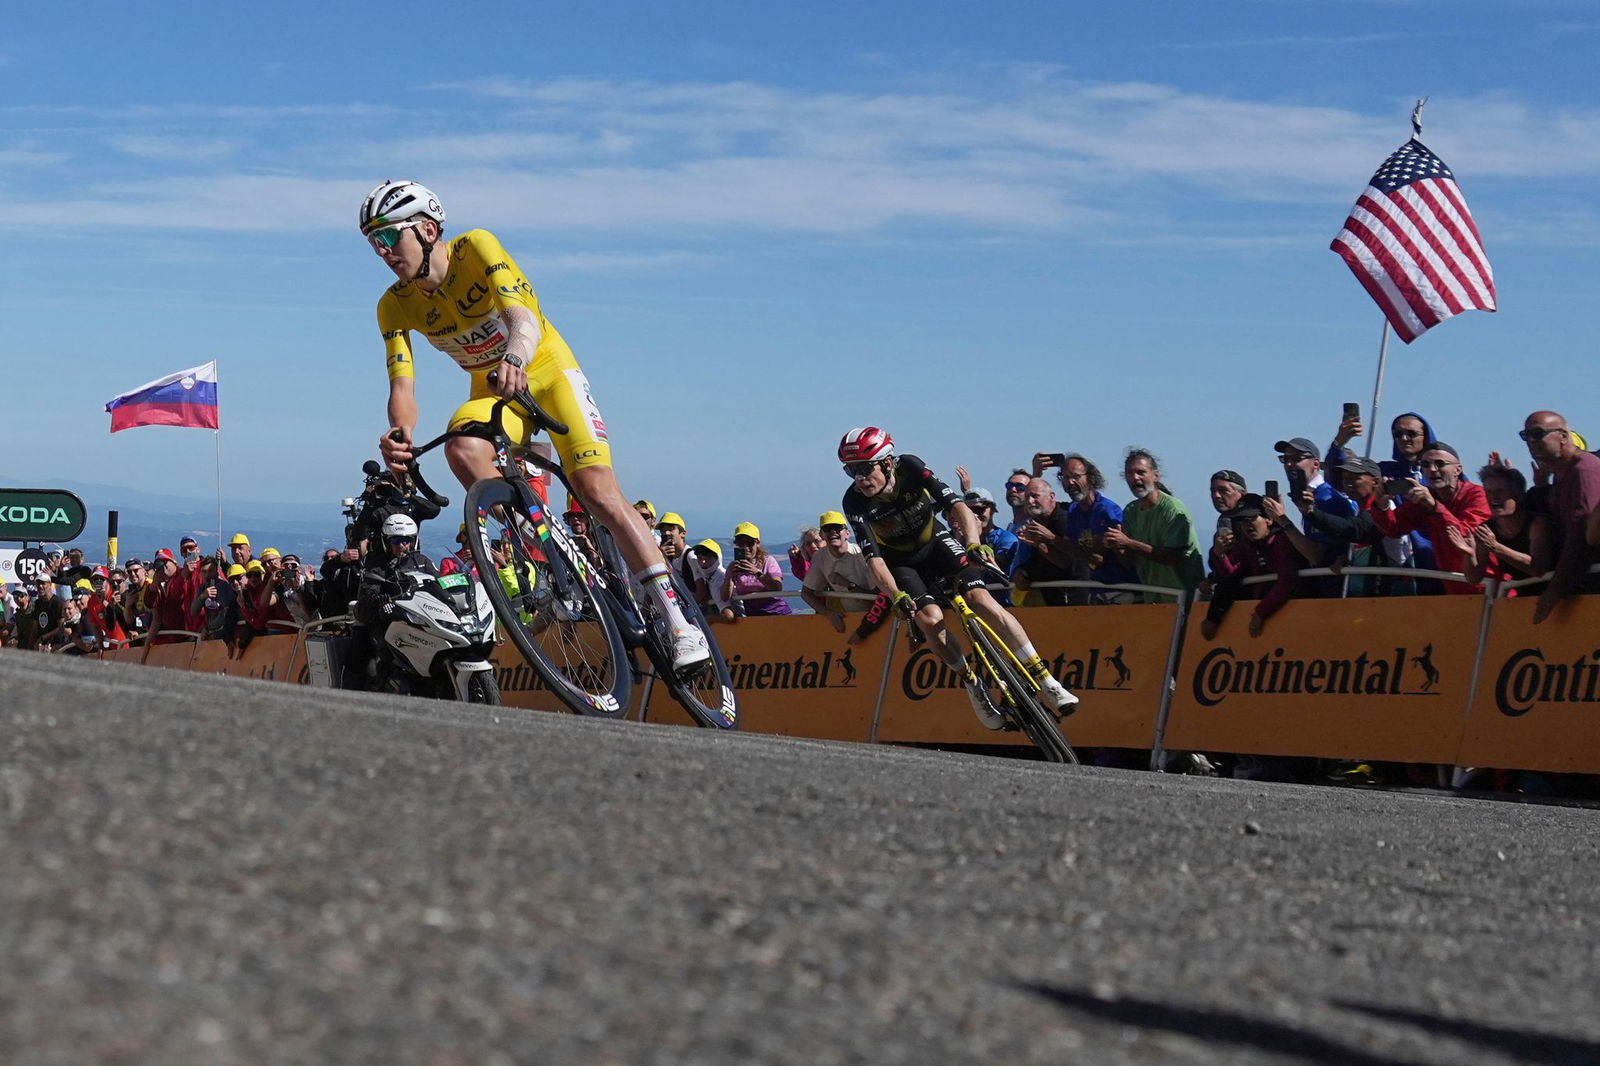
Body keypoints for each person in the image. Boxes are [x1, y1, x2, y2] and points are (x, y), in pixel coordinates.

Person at [361, 180, 709, 673]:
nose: (382, 251)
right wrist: (399, 436)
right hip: (494, 391)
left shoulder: (476, 247)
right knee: (461, 448)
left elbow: (523, 319)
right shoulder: (393, 304)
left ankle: (677, 622)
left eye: (390, 237)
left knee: (597, 490)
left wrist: (515, 356)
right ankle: (543, 539)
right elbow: (402, 384)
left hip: (544, 372)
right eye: (373, 242)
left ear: (428, 228)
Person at [837, 426, 1078, 727]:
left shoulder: (911, 467)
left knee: (981, 599)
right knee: (929, 619)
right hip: (901, 563)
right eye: (851, 471)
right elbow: (874, 559)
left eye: (864, 468)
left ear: (887, 462)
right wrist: (894, 594)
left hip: (936, 543)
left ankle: (1046, 680)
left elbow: (957, 506)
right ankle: (972, 685)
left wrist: (974, 543)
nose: (859, 478)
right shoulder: (855, 502)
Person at [1367, 442, 1489, 595]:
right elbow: (1393, 528)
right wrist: (1382, 505)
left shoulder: (1477, 495)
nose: (1432, 469)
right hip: (1451, 585)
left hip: (1484, 584)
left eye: (1439, 463)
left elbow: (1466, 536)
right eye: (1425, 464)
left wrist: (1433, 507)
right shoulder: (1426, 497)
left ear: (1458, 469)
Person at [1523, 411, 1600, 623]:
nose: (1531, 441)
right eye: (1525, 435)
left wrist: (1554, 590)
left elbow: (1581, 535)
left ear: (1564, 436)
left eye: (1538, 434)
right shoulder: (1561, 474)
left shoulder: (1585, 470)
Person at [1102, 448, 1204, 601]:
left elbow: (1171, 557)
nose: (1135, 478)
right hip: (1152, 597)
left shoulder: (1173, 509)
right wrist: (1117, 547)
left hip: (1183, 597)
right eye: (1130, 473)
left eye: (1141, 472)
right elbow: (1129, 561)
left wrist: (1128, 542)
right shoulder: (1130, 511)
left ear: (1155, 476)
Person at [1200, 495, 1302, 640]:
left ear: (1269, 519)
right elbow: (1231, 573)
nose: (1246, 526)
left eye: (1251, 519)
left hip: (1294, 614)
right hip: (1268, 612)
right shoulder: (1248, 543)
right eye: (1242, 521)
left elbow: (1287, 583)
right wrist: (1220, 554)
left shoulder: (1283, 542)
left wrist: (1260, 613)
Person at [1058, 453, 1141, 603]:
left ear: (1090, 479)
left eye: (1076, 477)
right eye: (1065, 477)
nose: (1070, 482)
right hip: (1097, 589)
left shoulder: (1107, 510)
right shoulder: (1073, 511)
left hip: (1122, 590)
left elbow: (1108, 556)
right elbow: (1074, 552)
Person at [1010, 477, 1089, 606]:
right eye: (1027, 497)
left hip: (1074, 598)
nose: (1030, 501)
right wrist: (1022, 572)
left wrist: (1042, 541)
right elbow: (1038, 563)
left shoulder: (1066, 519)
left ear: (1051, 497)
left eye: (1035, 496)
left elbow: (1066, 564)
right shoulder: (1036, 523)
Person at [800, 511, 876, 633]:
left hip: (875, 618)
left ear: (847, 533)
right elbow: (806, 593)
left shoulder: (863, 555)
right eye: (827, 529)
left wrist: (847, 584)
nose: (832, 532)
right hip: (848, 620)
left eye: (837, 528)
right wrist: (829, 614)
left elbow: (878, 598)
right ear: (822, 535)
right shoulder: (820, 557)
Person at [721, 523, 792, 616]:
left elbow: (777, 587)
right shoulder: (735, 567)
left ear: (757, 543)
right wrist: (728, 577)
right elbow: (725, 597)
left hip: (777, 614)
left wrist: (756, 572)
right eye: (741, 543)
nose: (745, 547)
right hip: (754, 617)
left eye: (750, 542)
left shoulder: (768, 561)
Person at [685, 540, 738, 623]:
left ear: (717, 559)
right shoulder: (711, 577)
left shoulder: (719, 579)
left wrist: (708, 619)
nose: (703, 562)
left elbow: (729, 616)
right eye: (700, 558)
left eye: (707, 558)